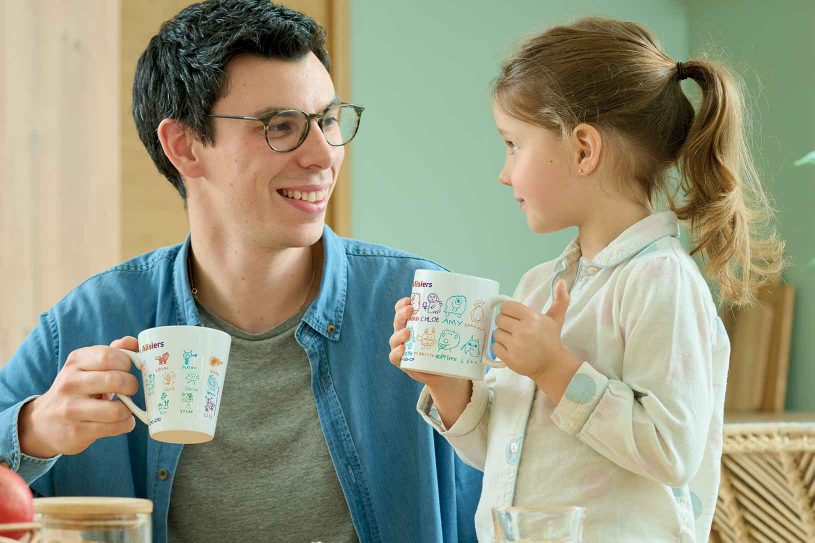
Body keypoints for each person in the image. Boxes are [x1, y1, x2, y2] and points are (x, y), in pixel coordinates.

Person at [0, 1, 481, 541]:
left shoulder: (429, 307)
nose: (323, 155)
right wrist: (32, 430)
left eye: (327, 121)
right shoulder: (88, 321)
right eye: (281, 126)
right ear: (184, 146)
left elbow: (524, 489)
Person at [389, 17, 784, 542]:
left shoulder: (661, 281)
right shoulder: (539, 286)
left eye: (513, 144)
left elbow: (672, 451)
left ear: (583, 150)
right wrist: (448, 385)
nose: (504, 173)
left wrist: (554, 367)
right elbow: (502, 456)